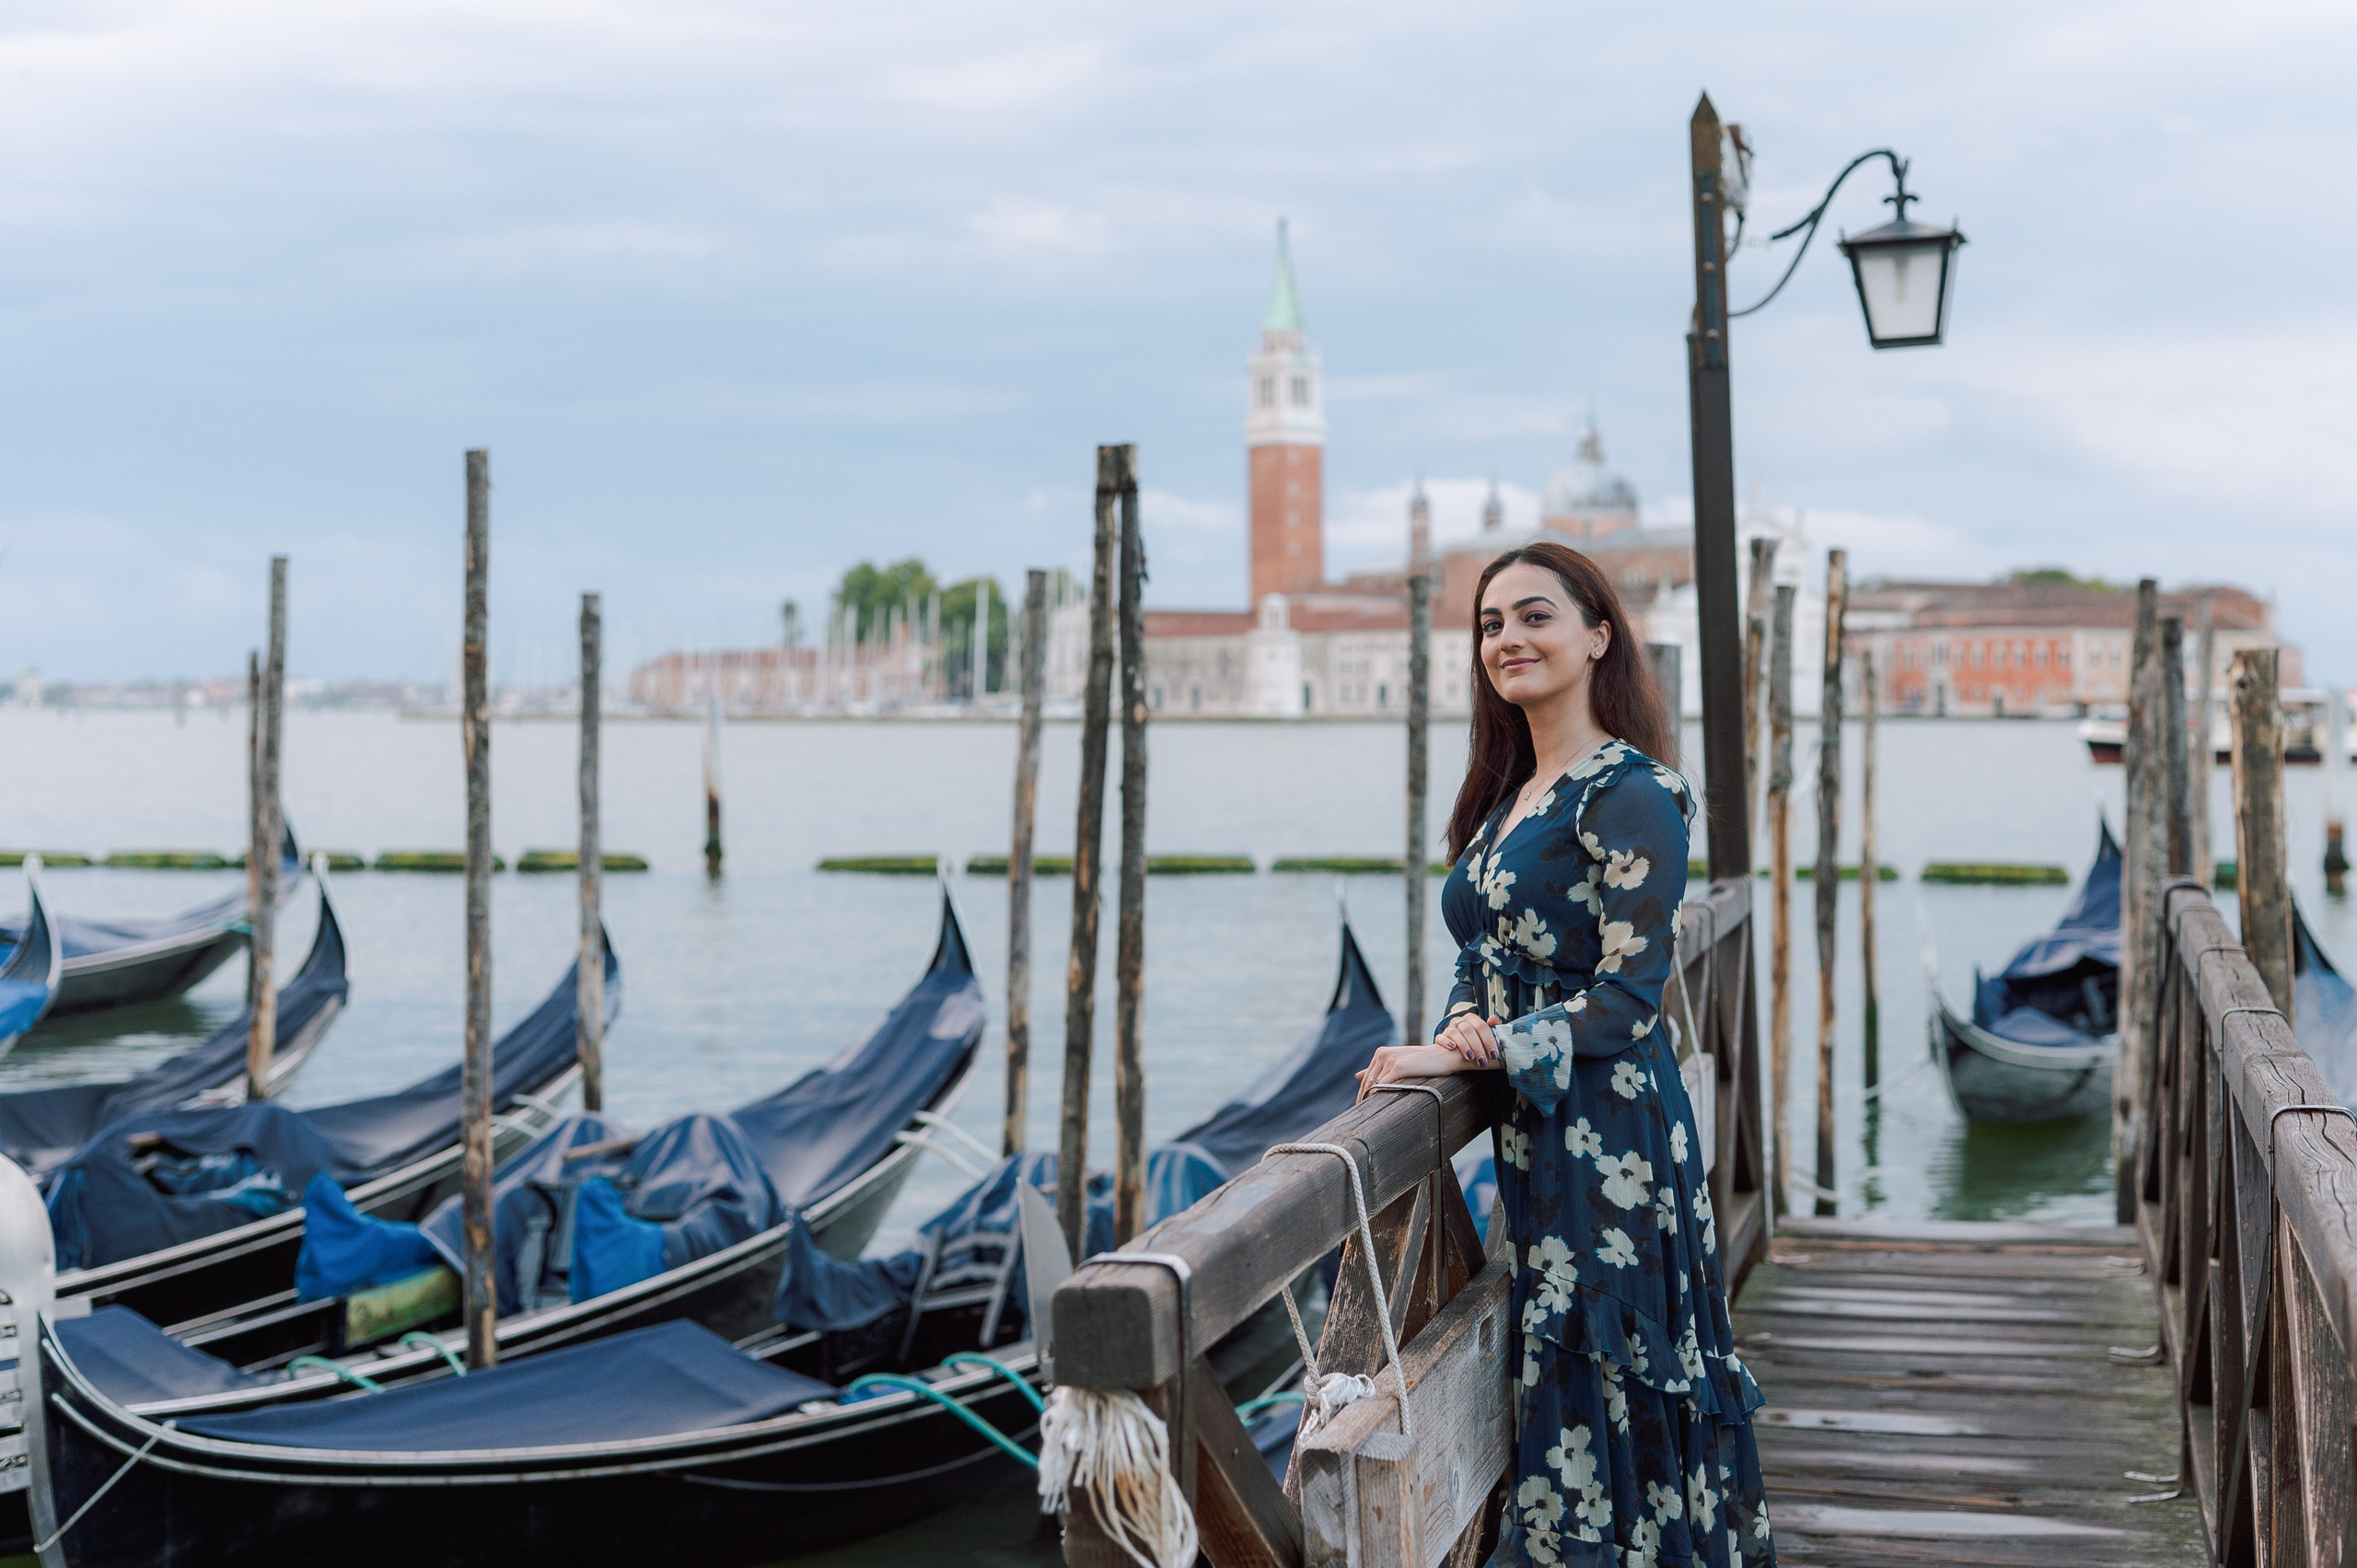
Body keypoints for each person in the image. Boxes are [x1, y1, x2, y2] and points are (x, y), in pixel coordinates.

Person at [1358, 541, 1774, 1567]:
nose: (1508, 639)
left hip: (1614, 1136)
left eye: (1534, 616)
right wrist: (1461, 1030)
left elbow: (1629, 1000)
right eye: (1491, 624)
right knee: (1558, 1365)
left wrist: (1485, 1048)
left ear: (1598, 636)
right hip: (1539, 1128)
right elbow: (1485, 947)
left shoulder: (1630, 791)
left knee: (1605, 1368)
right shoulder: (1509, 792)